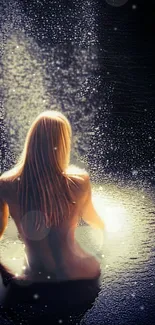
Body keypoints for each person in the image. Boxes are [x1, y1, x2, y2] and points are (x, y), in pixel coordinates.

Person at [0, 109, 104, 285]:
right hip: (80, 275)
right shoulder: (79, 181)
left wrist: (6, 272)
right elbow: (96, 223)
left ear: (31, 140)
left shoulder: (6, 183)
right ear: (63, 143)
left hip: (35, 279)